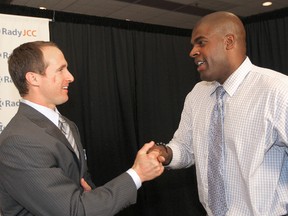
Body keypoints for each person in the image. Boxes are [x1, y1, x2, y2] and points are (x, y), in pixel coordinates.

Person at [0, 41, 164, 216]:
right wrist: (137, 174)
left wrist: (91, 196)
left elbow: (83, 186)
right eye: (60, 69)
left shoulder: (68, 125)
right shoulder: (18, 141)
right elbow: (74, 211)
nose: (70, 77)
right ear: (33, 78)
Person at [149, 11, 288, 216]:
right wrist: (165, 153)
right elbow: (185, 147)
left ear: (229, 42)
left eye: (201, 42)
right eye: (193, 45)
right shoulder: (197, 95)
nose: (192, 52)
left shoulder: (277, 90)